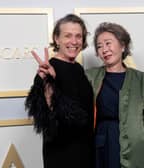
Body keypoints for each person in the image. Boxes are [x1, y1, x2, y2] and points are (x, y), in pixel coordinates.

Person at [25, 14, 94, 168]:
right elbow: (46, 119)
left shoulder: (78, 68)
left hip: (85, 151)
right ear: (57, 38)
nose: (74, 41)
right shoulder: (47, 70)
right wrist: (50, 84)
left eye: (78, 36)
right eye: (67, 36)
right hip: (61, 154)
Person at [85, 22, 144, 168]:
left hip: (135, 145)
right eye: (99, 46)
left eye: (108, 43)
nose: (104, 49)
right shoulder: (89, 76)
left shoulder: (140, 79)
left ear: (123, 45)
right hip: (102, 143)